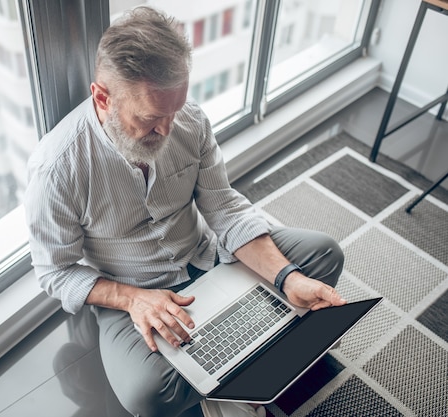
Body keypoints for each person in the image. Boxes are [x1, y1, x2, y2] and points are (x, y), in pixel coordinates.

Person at [24, 6, 346, 417]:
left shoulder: (189, 121)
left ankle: (229, 362)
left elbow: (224, 207)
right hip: (134, 288)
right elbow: (55, 272)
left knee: (324, 256)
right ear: (102, 97)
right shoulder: (57, 168)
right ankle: (251, 351)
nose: (168, 129)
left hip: (205, 254)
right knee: (146, 394)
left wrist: (287, 277)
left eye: (175, 110)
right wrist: (133, 300)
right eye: (152, 117)